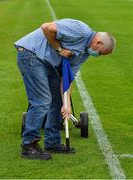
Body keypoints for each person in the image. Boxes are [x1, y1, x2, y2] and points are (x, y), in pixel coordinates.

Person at [14, 18, 116, 160]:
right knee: (42, 101)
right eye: (100, 53)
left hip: (47, 62)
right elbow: (46, 27)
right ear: (98, 42)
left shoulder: (84, 54)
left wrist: (66, 104)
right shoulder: (80, 30)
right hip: (32, 54)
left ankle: (52, 142)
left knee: (58, 102)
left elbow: (66, 78)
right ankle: (29, 145)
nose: (97, 56)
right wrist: (60, 49)